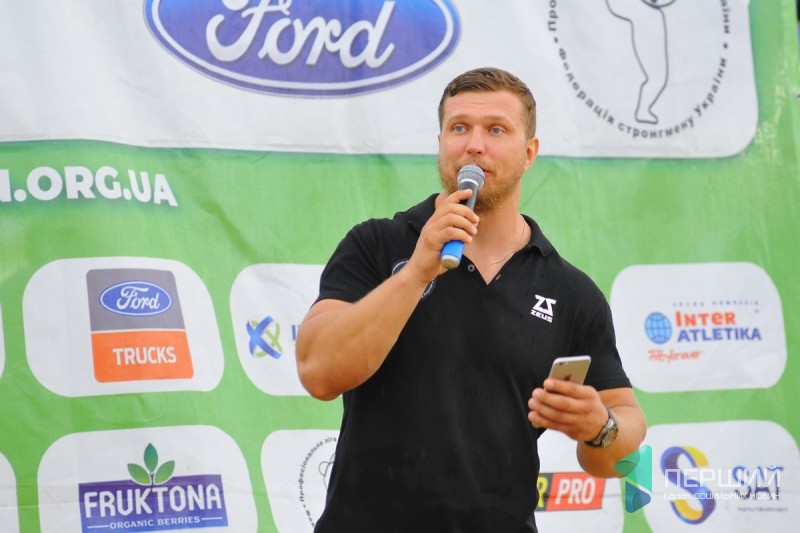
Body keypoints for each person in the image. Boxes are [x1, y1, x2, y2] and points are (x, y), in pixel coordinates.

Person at [296, 67, 647, 533]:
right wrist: (417, 270)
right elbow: (319, 372)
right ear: (441, 142)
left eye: (496, 130)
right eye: (459, 127)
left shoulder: (571, 291)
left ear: (529, 152)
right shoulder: (376, 245)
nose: (475, 144)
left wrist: (600, 427)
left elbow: (620, 443)